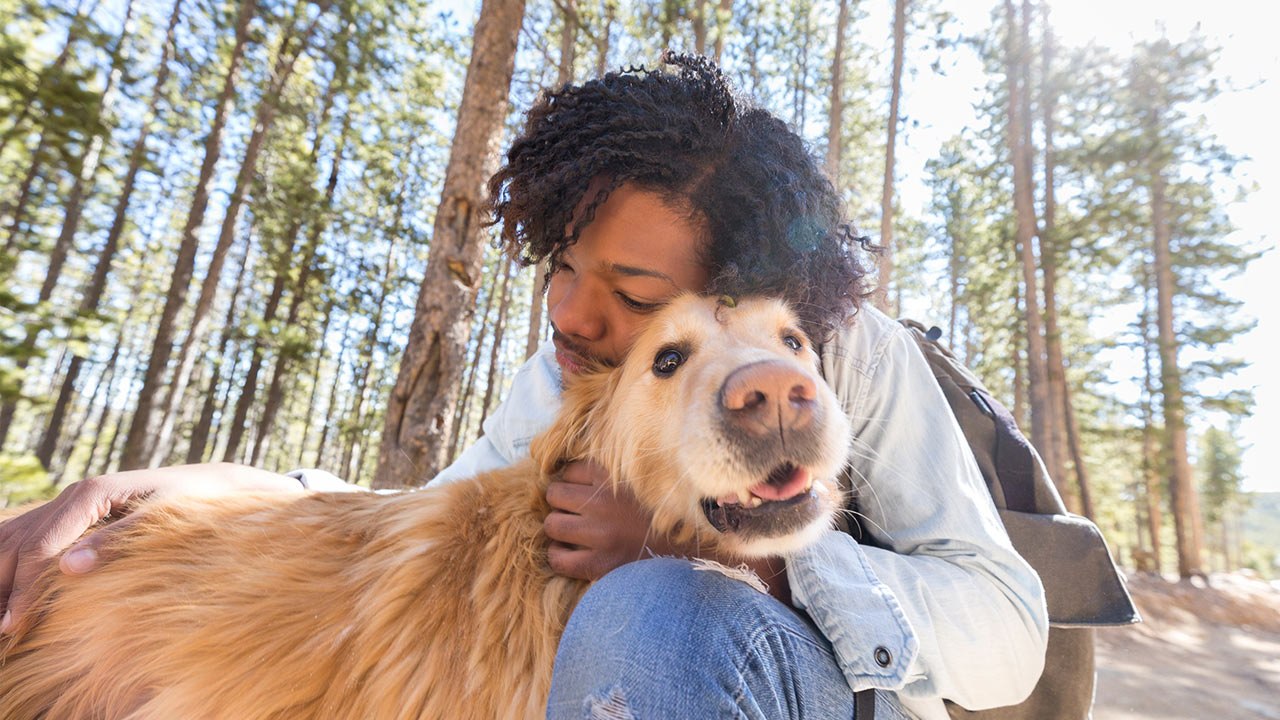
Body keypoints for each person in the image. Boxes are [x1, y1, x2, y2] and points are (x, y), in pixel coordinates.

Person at [0, 53, 1047, 719]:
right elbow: (427, 517)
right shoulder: (570, 375)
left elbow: (1006, 633)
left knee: (654, 611)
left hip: (814, 692)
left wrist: (739, 566)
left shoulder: (855, 359)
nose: (572, 318)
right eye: (563, 269)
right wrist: (184, 488)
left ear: (749, 291)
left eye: (634, 296)